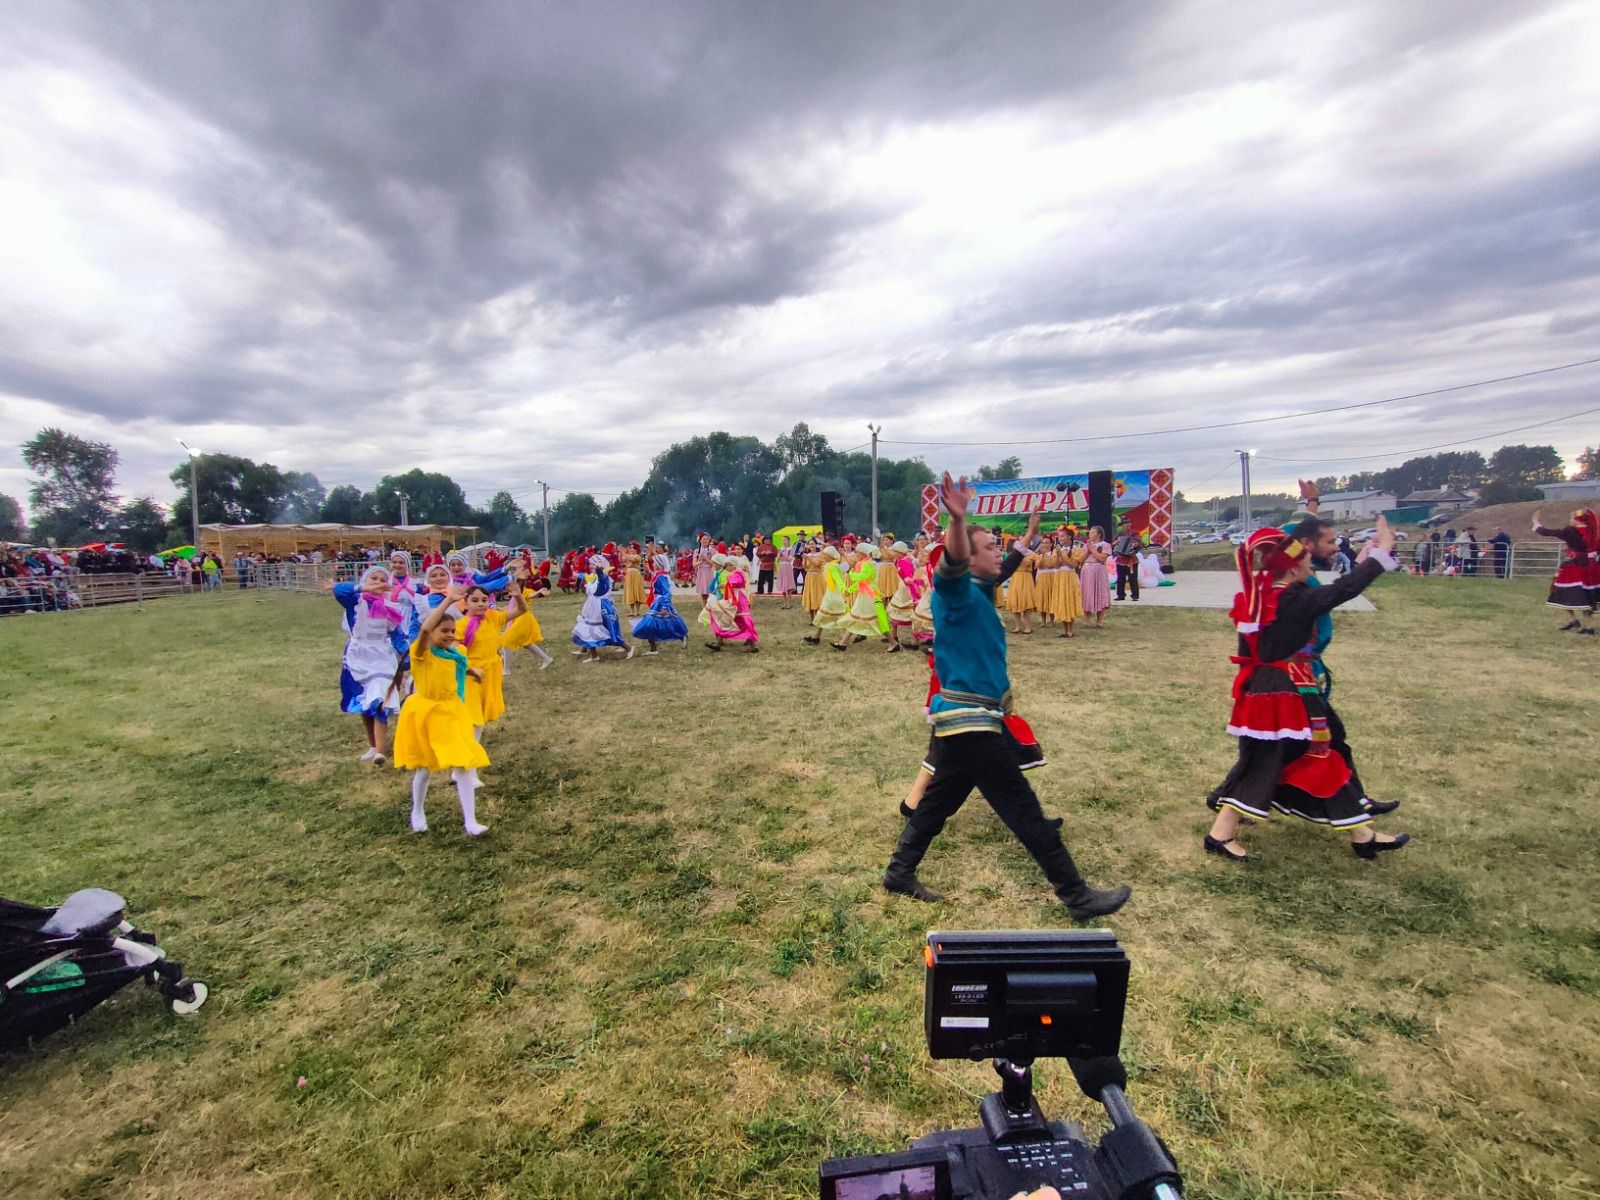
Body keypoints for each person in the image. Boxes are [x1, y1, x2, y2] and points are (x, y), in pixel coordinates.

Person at [883, 473, 1130, 921]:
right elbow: (956, 560)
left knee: (937, 802)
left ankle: (900, 872)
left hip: (970, 719)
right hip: (970, 720)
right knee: (1022, 807)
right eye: (990, 548)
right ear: (967, 557)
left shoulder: (980, 589)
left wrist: (1030, 537)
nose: (999, 552)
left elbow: (1005, 567)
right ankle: (1076, 895)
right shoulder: (954, 591)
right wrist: (957, 521)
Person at [1203, 519, 1409, 861]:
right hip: (1282, 693)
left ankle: (1362, 833)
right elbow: (1344, 590)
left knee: (1313, 755)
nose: (1309, 568)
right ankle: (1220, 834)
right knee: (1269, 761)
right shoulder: (1293, 599)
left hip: (1276, 688)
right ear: (1295, 568)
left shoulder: (1262, 597)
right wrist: (1382, 553)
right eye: (1306, 564)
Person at [392, 581, 492, 836]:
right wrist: (447, 602)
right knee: (424, 769)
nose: (449, 635)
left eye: (452, 631)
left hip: (452, 711)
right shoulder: (421, 652)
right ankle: (417, 810)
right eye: (444, 631)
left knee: (464, 764)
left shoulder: (456, 654)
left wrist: (472, 671)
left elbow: (453, 669)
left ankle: (470, 821)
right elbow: (425, 629)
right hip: (427, 713)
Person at [325, 565, 410, 765]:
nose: (378, 583)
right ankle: (373, 745)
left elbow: (398, 637)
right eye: (374, 579)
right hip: (359, 657)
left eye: (382, 580)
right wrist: (364, 589)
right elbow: (339, 590)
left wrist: (407, 658)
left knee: (379, 699)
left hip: (382, 657)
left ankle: (381, 751)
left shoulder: (390, 609)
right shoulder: (354, 602)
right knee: (364, 702)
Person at [1531, 508, 1599, 634]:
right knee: (1587, 596)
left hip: (1573, 568)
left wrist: (1536, 523)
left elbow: (1548, 532)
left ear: (1576, 521)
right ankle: (1587, 625)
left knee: (1564, 592)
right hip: (1591, 568)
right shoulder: (1594, 533)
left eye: (1571, 518)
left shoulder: (1571, 531)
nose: (1569, 521)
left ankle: (1575, 621)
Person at [572, 555, 634, 661]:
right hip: (592, 605)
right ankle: (591, 653)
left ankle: (628, 648)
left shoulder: (604, 577)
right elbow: (586, 578)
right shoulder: (594, 576)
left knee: (607, 630)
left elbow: (599, 590)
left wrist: (599, 571)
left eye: (593, 564)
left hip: (600, 607)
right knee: (587, 628)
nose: (591, 566)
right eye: (590, 564)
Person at [632, 564, 689, 652]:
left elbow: (667, 592)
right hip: (657, 602)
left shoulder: (661, 577)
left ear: (659, 564)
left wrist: (664, 606)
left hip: (660, 603)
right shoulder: (659, 574)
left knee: (650, 624)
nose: (653, 564)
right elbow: (655, 580)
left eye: (655, 562)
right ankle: (680, 636)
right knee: (663, 623)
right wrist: (649, 570)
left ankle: (653, 649)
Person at [706, 564, 760, 652]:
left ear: (732, 565)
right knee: (727, 619)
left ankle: (753, 646)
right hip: (736, 601)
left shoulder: (738, 573)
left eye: (727, 565)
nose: (725, 568)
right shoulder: (736, 573)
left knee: (740, 621)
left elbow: (736, 582)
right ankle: (718, 644)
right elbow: (733, 584)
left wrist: (728, 581)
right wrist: (725, 584)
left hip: (738, 601)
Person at [805, 546, 849, 644]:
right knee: (823, 615)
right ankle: (816, 637)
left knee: (842, 617)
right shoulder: (832, 565)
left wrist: (843, 590)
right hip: (831, 594)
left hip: (834, 595)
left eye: (824, 554)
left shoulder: (833, 566)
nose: (823, 556)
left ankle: (844, 640)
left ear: (829, 556)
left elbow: (838, 580)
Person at [1080, 528, 1112, 626]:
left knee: (1100, 592)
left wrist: (1092, 549)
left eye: (1093, 532)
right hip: (1087, 570)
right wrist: (1088, 549)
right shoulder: (1086, 545)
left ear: (1099, 534)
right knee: (1087, 593)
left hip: (1099, 570)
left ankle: (1099, 621)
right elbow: (1080, 559)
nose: (1090, 534)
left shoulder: (1105, 545)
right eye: (1090, 532)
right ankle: (1086, 620)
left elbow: (1102, 558)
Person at [1112, 518, 1143, 601]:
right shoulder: (1119, 535)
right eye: (1125, 523)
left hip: (1131, 560)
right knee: (1120, 579)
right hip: (1121, 560)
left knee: (1133, 578)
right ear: (1122, 525)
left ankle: (1135, 595)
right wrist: (1115, 544)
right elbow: (1113, 545)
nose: (1127, 524)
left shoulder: (1135, 534)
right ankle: (1120, 595)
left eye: (1128, 523)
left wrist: (1135, 545)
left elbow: (1139, 544)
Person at [774, 536, 797, 608]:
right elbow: (777, 560)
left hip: (787, 567)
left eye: (785, 540)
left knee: (788, 585)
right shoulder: (781, 549)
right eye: (783, 540)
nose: (784, 542)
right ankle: (785, 603)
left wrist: (783, 554)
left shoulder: (791, 549)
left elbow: (789, 560)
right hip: (781, 567)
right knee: (783, 584)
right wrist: (779, 555)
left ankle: (790, 603)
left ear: (788, 541)